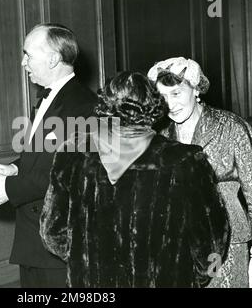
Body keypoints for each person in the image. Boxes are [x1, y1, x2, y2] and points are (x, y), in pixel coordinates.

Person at [39, 71, 230, 288]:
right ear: (154, 105)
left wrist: (84, 259)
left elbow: (51, 233)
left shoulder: (71, 151)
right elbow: (214, 239)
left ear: (105, 104)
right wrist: (201, 276)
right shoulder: (186, 160)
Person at [0, 23, 97, 287]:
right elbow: (45, 158)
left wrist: (8, 189)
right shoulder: (44, 100)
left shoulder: (88, 107)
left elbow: (71, 175)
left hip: (62, 244)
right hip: (33, 240)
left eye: (28, 54)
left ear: (53, 59)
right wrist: (14, 169)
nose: (22, 62)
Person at [147, 56, 252, 288]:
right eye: (162, 97)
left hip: (226, 244)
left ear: (196, 89)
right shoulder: (160, 135)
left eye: (176, 94)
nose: (170, 104)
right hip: (178, 245)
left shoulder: (230, 126)